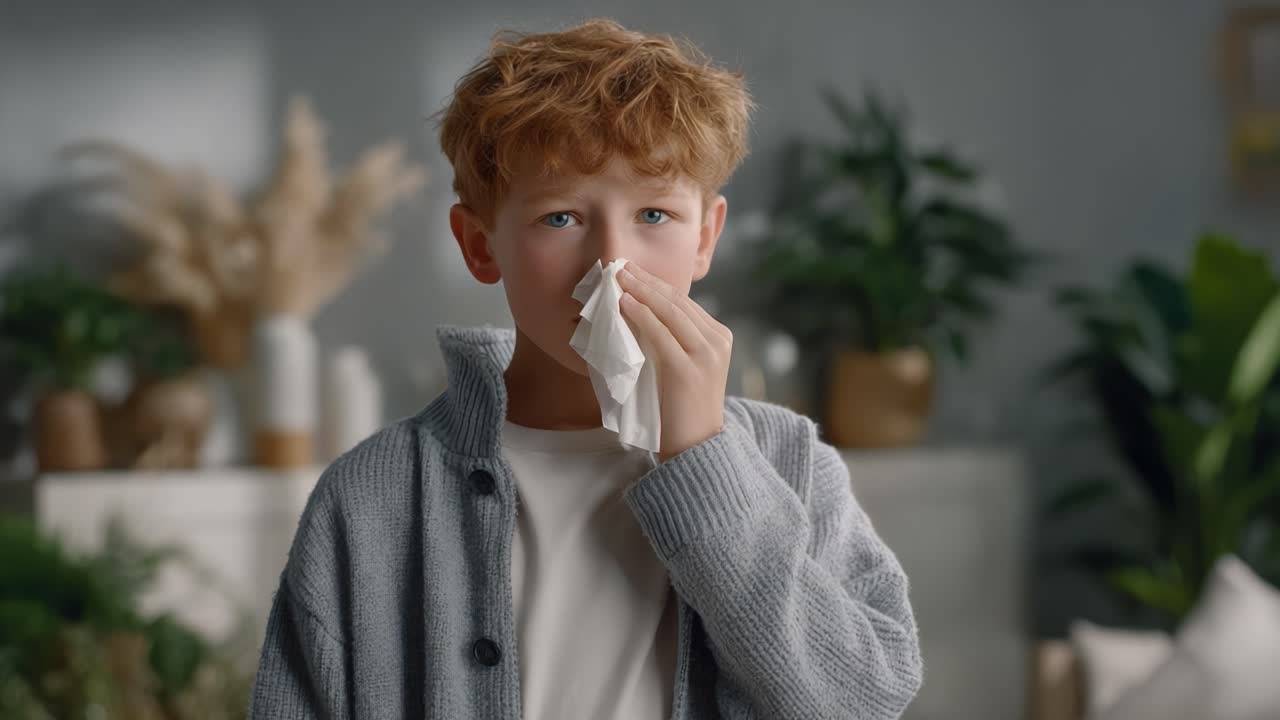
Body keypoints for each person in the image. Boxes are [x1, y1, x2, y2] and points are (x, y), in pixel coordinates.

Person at [248, 17, 922, 720]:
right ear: (480, 246)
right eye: (561, 219)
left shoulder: (791, 463)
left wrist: (705, 459)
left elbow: (860, 701)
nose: (612, 264)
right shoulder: (372, 498)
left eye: (655, 214)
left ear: (706, 239)